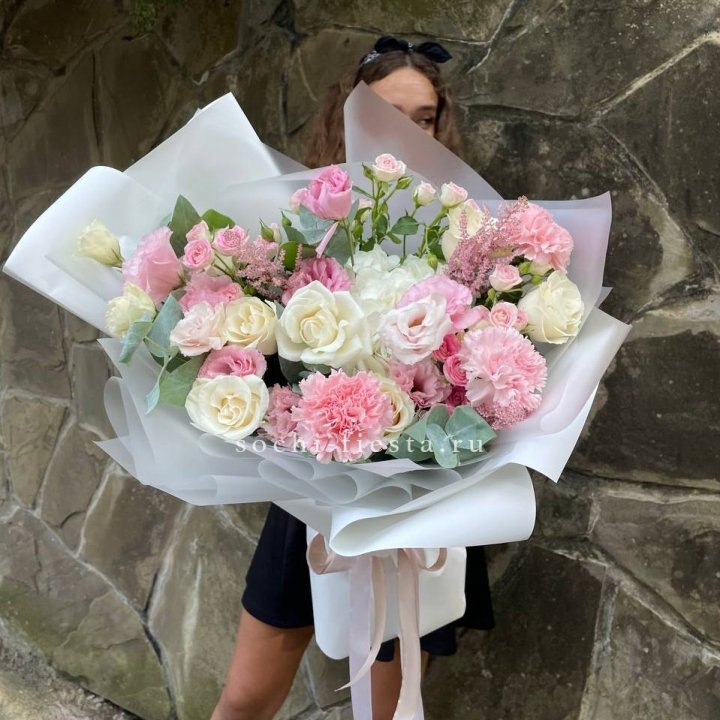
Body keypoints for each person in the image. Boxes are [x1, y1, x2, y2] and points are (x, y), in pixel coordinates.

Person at [211, 36, 494, 720]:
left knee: (387, 712)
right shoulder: (301, 225)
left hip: (416, 506)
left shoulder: (469, 233)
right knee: (245, 699)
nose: (410, 133)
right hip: (312, 500)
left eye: (424, 119)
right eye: (388, 115)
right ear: (349, 118)